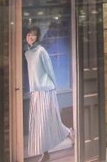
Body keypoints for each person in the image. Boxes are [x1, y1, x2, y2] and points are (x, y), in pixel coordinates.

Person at [24, 26, 74, 162]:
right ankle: (45, 153)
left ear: (37, 37)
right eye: (28, 35)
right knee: (38, 124)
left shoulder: (41, 51)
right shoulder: (27, 53)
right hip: (35, 92)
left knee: (47, 122)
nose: (30, 37)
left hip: (47, 90)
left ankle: (68, 133)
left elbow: (49, 70)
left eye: (33, 35)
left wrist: (55, 87)